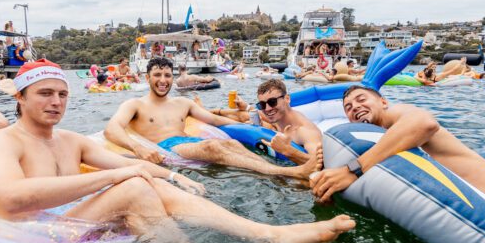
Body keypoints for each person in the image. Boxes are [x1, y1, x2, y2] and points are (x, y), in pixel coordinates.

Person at [0, 59, 354, 243]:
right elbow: (9, 198)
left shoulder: (70, 140)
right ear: (19, 97)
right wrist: (137, 159)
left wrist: (170, 177)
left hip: (72, 217)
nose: (56, 102)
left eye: (62, 94)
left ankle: (270, 235)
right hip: (30, 232)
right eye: (44, 94)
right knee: (136, 183)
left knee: (153, 177)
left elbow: (132, 166)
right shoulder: (1, 141)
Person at [311, 85, 485, 232]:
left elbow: (425, 124)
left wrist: (352, 170)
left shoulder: (396, 116)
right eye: (348, 107)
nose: (355, 107)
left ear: (383, 102)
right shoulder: (380, 144)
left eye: (362, 99)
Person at [104, 57, 322, 180]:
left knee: (231, 143)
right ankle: (289, 173)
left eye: (167, 75)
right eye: (157, 75)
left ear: (172, 77)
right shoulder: (134, 104)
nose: (163, 80)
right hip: (164, 147)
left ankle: (279, 176)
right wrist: (138, 148)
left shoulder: (183, 104)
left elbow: (216, 121)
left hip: (187, 142)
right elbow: (112, 129)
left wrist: (247, 124)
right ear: (147, 77)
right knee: (213, 148)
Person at [255, 80, 323, 165]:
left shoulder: (305, 131)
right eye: (262, 104)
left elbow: (320, 164)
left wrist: (287, 150)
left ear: (287, 99)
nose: (267, 109)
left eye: (272, 102)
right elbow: (258, 113)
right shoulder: (278, 117)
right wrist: (246, 107)